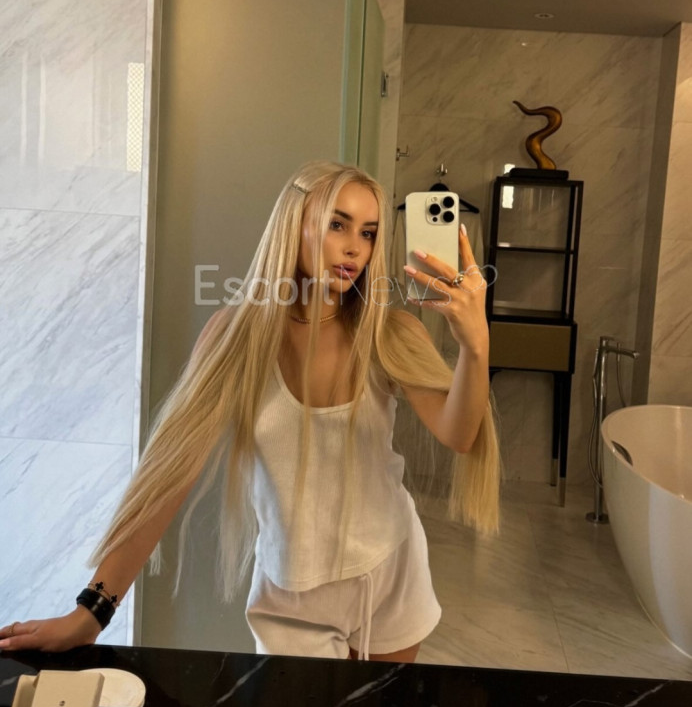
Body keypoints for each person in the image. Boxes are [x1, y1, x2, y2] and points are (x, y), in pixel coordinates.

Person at [0, 161, 500, 663]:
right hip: (291, 594)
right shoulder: (235, 337)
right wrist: (92, 612)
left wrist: (475, 345)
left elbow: (458, 435)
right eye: (337, 224)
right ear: (293, 224)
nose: (354, 248)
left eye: (368, 233)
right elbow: (170, 476)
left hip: (390, 571)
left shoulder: (389, 334)